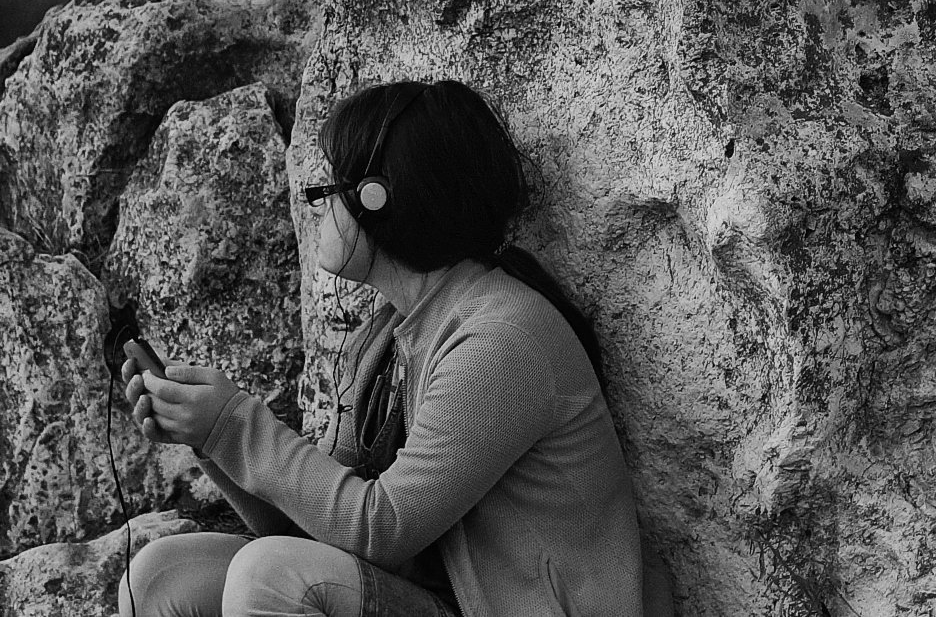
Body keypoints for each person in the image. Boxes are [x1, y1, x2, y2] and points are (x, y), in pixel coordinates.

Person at [120, 79, 648, 617]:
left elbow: (381, 527)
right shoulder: (387, 338)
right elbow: (314, 524)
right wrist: (209, 437)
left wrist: (234, 426)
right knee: (160, 577)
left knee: (272, 577)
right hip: (435, 598)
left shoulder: (501, 340)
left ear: (378, 197)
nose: (316, 204)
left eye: (331, 186)